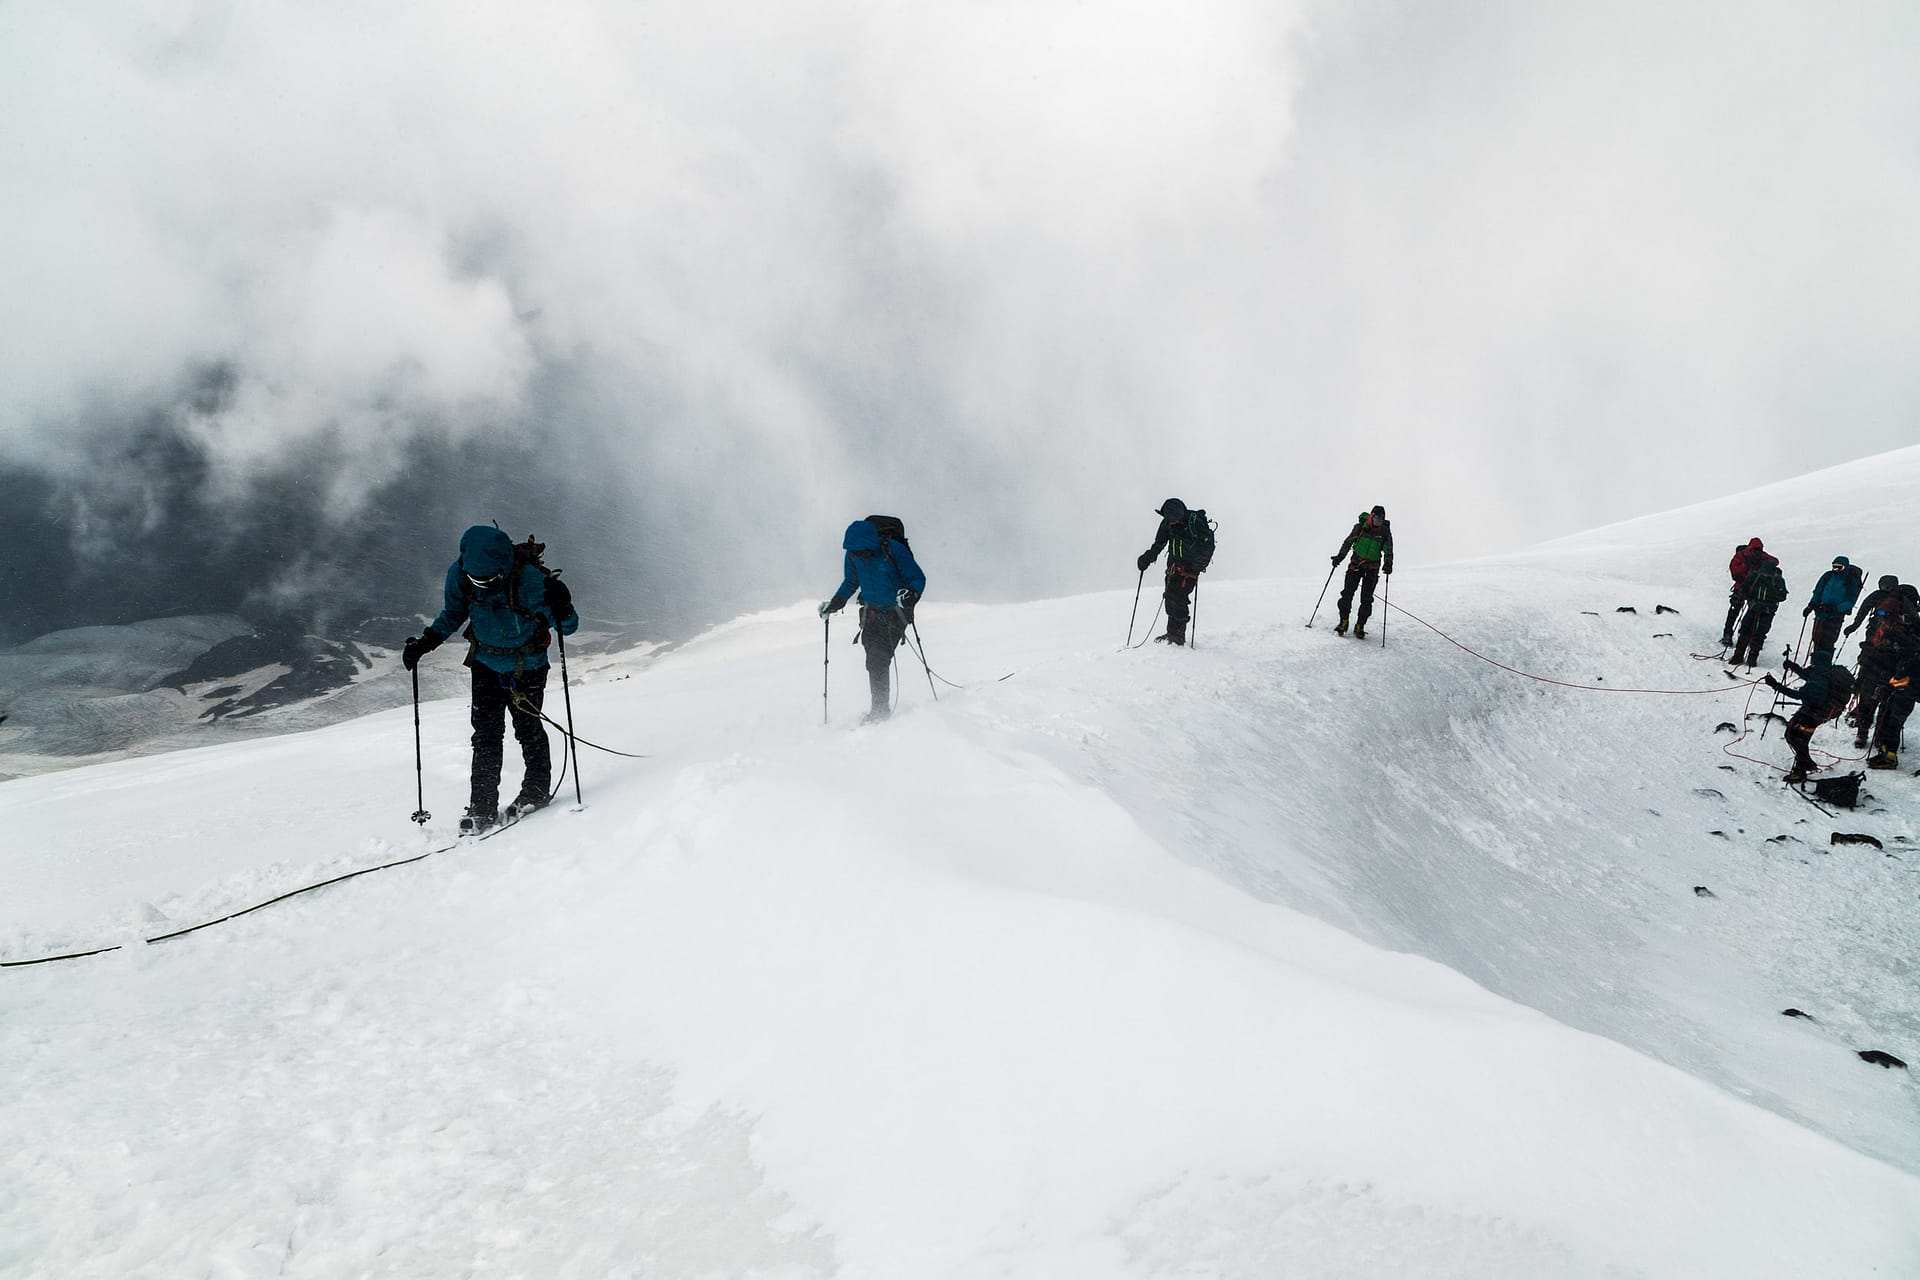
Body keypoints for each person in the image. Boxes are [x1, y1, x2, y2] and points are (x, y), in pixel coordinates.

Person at [402, 525, 580, 833]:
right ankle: (482, 807)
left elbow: (568, 628)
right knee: (486, 735)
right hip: (486, 663)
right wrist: (426, 642)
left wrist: (563, 606)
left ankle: (535, 791)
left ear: (504, 567)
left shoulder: (532, 581)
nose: (482, 586)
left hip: (527, 666)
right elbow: (453, 613)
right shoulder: (460, 575)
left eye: (489, 580)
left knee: (526, 728)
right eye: (477, 580)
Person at [820, 516, 926, 723]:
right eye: (856, 552)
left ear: (872, 543)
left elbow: (917, 577)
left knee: (878, 658)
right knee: (873, 661)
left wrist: (911, 594)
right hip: (871, 615)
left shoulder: (892, 549)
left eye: (863, 551)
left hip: (896, 613)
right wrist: (836, 603)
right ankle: (879, 708)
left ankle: (879, 712)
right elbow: (851, 581)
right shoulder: (853, 555)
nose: (860, 555)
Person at [1763, 657, 1855, 784]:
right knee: (1794, 736)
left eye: (1813, 661)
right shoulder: (1825, 673)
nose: (1811, 664)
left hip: (1812, 715)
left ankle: (1800, 771)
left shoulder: (1820, 682)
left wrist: (1775, 685)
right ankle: (1806, 764)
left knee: (1797, 738)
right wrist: (1793, 666)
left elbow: (1797, 695)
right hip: (1817, 713)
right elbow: (1806, 675)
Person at [1136, 498, 1211, 646]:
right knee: (1170, 597)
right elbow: (1159, 544)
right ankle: (1172, 633)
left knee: (1178, 599)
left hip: (1189, 570)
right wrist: (1147, 558)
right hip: (1173, 568)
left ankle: (1178, 636)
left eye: (1174, 520)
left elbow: (1208, 546)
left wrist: (1197, 566)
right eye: (1170, 520)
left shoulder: (1194, 522)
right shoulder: (1167, 523)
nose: (1172, 522)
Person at [1329, 505, 1393, 639]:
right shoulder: (1360, 528)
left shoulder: (1385, 532)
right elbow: (1348, 543)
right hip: (1356, 565)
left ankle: (1360, 625)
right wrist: (1340, 557)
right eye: (1376, 517)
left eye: (1380, 518)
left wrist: (1388, 563)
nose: (1378, 520)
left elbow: (1388, 550)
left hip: (1372, 569)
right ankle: (1343, 622)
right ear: (1371, 516)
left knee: (1366, 599)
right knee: (1347, 594)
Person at [1865, 625, 1920, 769]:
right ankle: (1885, 753)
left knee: (1892, 726)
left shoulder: (1910, 661)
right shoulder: (1906, 655)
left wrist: (1892, 685)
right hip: (1899, 696)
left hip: (1904, 698)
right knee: (1886, 724)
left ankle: (1890, 758)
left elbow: (1904, 680)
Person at [1801, 554, 1862, 666]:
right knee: (1817, 639)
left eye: (1839, 567)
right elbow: (1818, 591)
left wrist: (1835, 608)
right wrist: (1811, 605)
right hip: (1820, 613)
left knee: (1828, 642)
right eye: (1834, 566)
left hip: (1835, 617)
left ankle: (1824, 667)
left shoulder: (1850, 581)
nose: (1836, 570)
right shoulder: (1828, 576)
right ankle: (1814, 665)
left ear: (1845, 567)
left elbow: (1850, 601)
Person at [1730, 551, 1787, 669]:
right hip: (1766, 610)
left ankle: (1739, 656)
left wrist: (1745, 597)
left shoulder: (1756, 575)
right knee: (1758, 633)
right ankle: (1751, 657)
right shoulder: (1777, 579)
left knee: (1747, 630)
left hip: (1755, 607)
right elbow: (1782, 596)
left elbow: (1744, 587)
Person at [1721, 537, 1769, 648]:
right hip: (1746, 588)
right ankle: (1730, 634)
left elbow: (1775, 561)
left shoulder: (1744, 555)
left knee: (1738, 612)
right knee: (1739, 611)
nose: (1759, 552)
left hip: (1746, 588)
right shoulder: (1743, 556)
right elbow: (1734, 570)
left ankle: (1733, 634)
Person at [1844, 574, 1901, 640]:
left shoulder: (1877, 595)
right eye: (1883, 586)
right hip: (1892, 628)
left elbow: (1864, 609)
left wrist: (1855, 624)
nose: (1884, 588)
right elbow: (1864, 609)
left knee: (1871, 644)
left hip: (1878, 625)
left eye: (1886, 586)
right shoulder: (1899, 596)